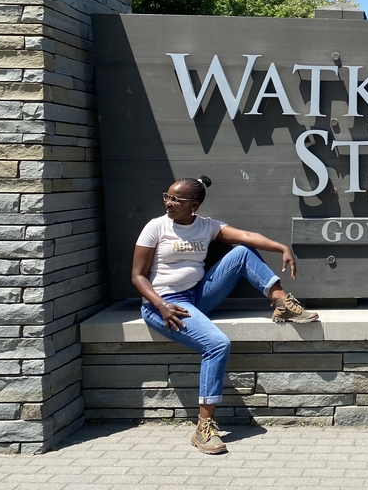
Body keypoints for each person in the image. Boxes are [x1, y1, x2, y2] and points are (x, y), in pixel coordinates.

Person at [131, 175, 318, 454]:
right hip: (166, 305)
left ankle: (281, 303)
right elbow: (137, 276)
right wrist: (160, 305)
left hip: (197, 296)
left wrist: (282, 247)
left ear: (194, 204)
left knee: (242, 251)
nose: (169, 203)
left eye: (176, 200)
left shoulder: (206, 226)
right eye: (166, 197)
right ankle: (203, 428)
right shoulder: (155, 227)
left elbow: (247, 237)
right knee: (217, 345)